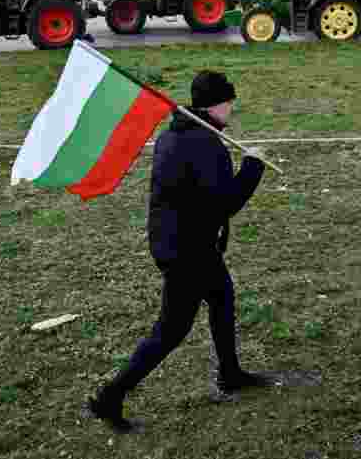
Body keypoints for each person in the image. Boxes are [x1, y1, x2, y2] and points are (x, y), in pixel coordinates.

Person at [87, 70, 272, 433]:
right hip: (186, 250)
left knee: (222, 297)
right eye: (230, 102)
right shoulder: (205, 143)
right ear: (219, 103)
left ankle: (230, 373)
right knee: (170, 331)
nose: (232, 108)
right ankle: (110, 396)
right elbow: (225, 203)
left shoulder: (177, 133)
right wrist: (253, 165)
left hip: (185, 241)